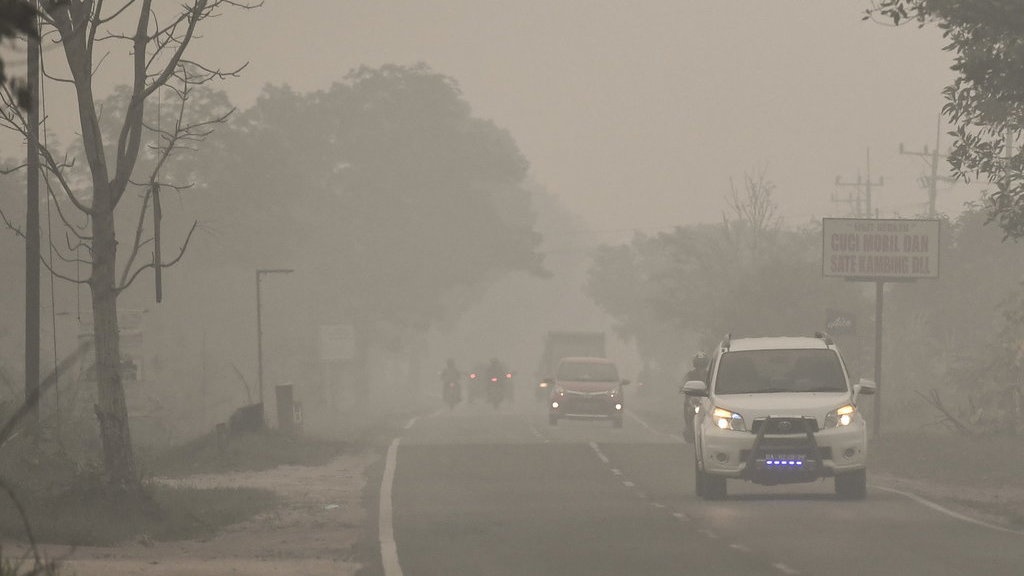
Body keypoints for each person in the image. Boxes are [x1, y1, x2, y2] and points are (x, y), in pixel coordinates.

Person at [682, 352, 709, 442]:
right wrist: (682, 388)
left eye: (702, 365)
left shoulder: (710, 374)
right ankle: (688, 427)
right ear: (695, 364)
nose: (700, 367)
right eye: (698, 365)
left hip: (706, 399)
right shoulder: (690, 374)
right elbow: (683, 383)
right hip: (692, 399)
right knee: (687, 406)